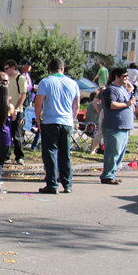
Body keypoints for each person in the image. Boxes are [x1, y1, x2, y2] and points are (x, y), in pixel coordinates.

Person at [34, 58, 80, 194]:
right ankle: (67, 183)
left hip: (50, 121)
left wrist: (38, 119)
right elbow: (76, 104)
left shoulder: (45, 82)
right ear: (63, 69)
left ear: (50, 69)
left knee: (50, 153)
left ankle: (52, 183)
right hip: (67, 122)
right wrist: (72, 118)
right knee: (65, 153)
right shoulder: (73, 83)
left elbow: (38, 103)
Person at [100, 67, 135, 185]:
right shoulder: (111, 90)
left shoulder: (123, 89)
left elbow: (131, 88)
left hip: (124, 127)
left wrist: (127, 81)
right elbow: (111, 104)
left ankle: (112, 174)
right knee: (112, 153)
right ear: (117, 77)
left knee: (119, 153)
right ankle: (107, 175)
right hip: (114, 127)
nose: (127, 79)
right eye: (124, 76)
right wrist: (127, 104)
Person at [4, 59, 28, 165]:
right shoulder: (6, 79)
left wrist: (17, 108)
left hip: (17, 110)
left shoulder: (20, 78)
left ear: (13, 68)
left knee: (16, 133)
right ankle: (6, 155)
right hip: (6, 109)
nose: (5, 70)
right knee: (6, 132)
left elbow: (23, 94)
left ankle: (19, 156)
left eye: (6, 68)